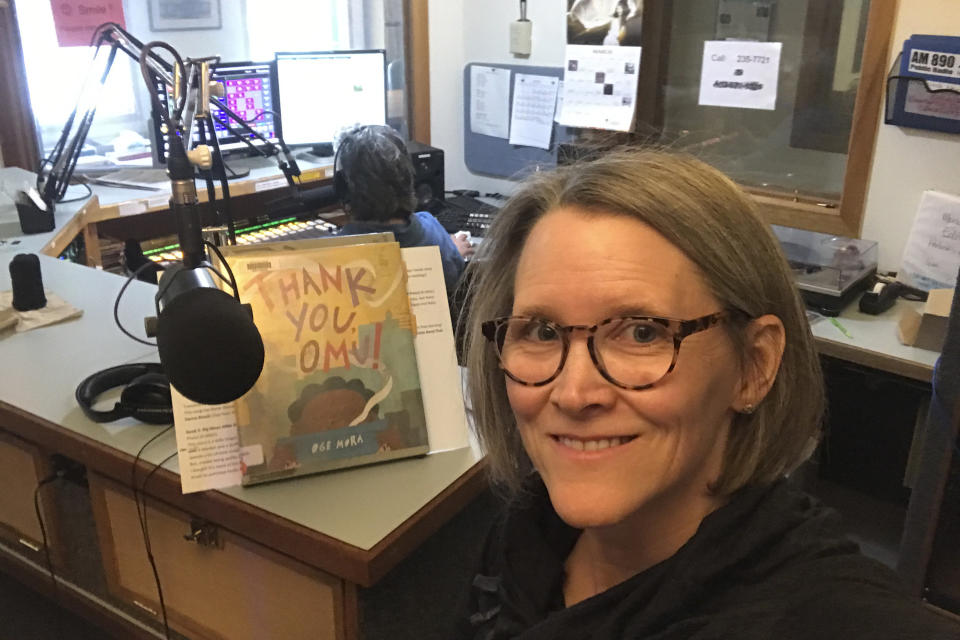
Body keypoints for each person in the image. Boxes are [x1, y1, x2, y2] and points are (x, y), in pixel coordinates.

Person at [456, 150, 959, 639]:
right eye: (542, 332)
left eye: (642, 332)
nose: (574, 393)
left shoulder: (821, 612)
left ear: (754, 366)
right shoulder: (526, 532)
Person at [334, 124, 474, 296]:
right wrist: (453, 251)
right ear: (409, 179)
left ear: (344, 189)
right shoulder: (431, 230)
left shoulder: (333, 252)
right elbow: (451, 270)